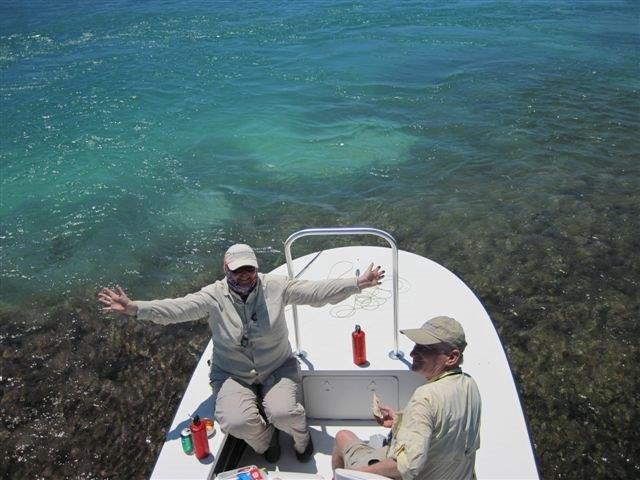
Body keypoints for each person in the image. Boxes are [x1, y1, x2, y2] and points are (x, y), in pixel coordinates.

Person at [98, 243, 384, 463]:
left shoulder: (275, 286)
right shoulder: (212, 296)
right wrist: (136, 308)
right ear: (226, 269)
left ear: (256, 269)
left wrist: (357, 283)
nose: (244, 276)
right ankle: (267, 441)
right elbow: (177, 309)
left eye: (249, 269)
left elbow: (314, 292)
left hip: (277, 366)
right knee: (235, 421)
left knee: (284, 412)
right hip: (231, 374)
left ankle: (302, 440)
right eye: (237, 270)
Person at [331, 316, 481, 480]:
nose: (412, 353)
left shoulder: (425, 398)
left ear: (451, 357)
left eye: (424, 349)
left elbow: (405, 467)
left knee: (342, 437)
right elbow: (445, 431)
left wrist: (356, 473)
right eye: (416, 346)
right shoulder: (468, 384)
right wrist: (399, 421)